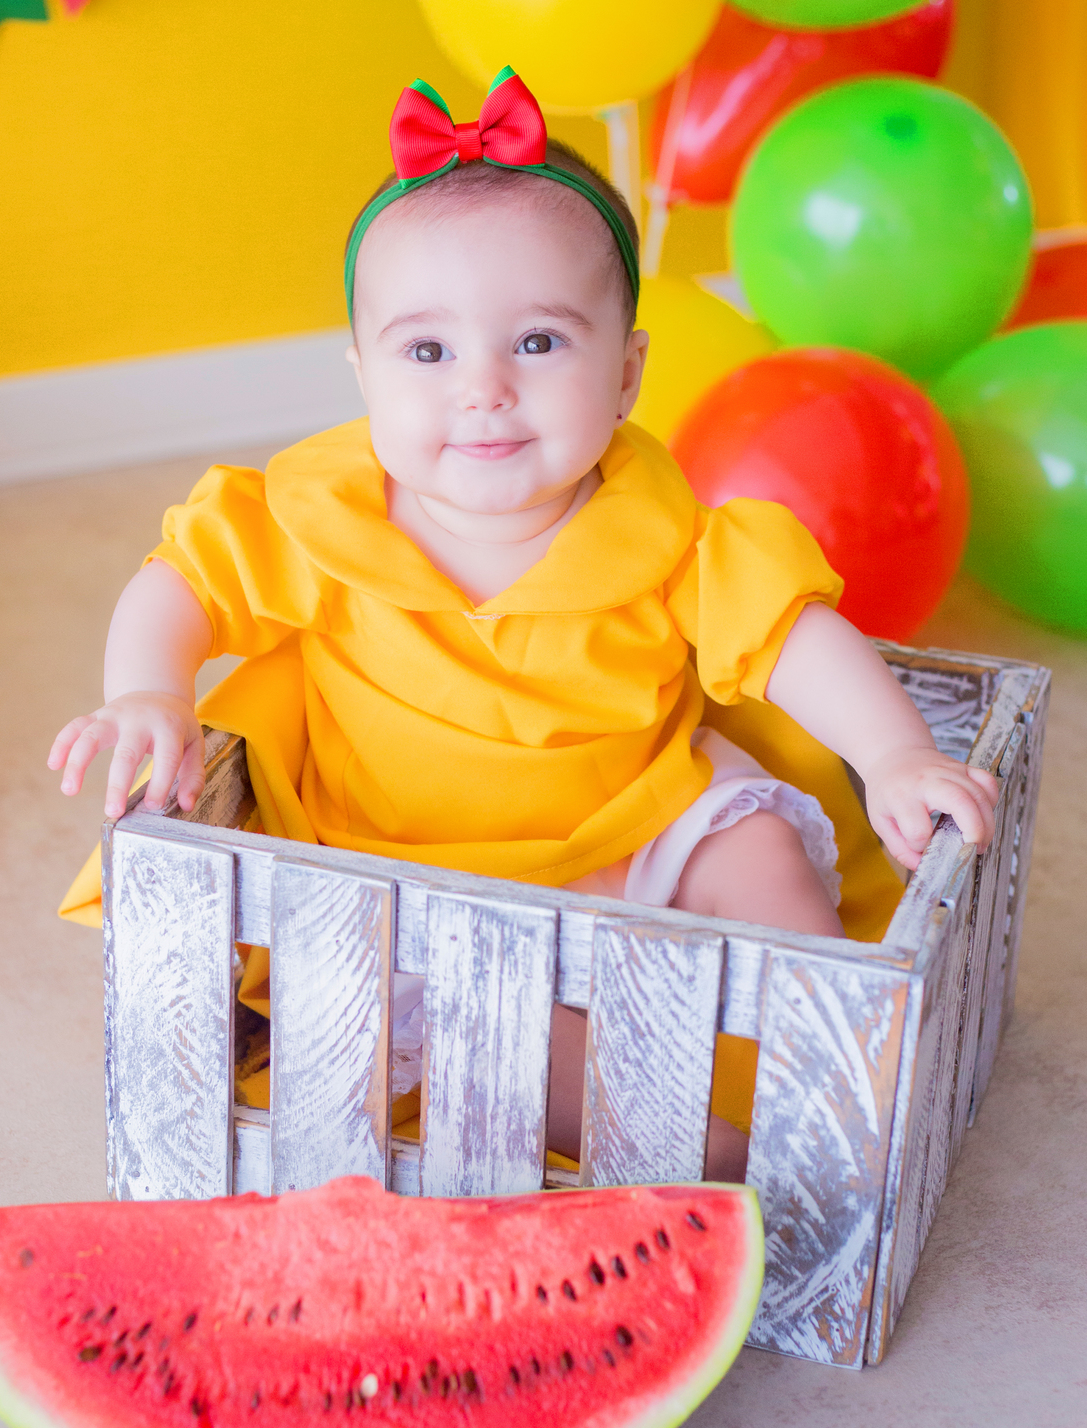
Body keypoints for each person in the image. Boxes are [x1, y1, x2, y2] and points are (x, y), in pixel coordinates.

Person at [50, 69, 998, 1176]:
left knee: (762, 851)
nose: (484, 388)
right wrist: (150, 691)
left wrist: (892, 754)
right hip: (419, 888)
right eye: (428, 351)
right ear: (364, 376)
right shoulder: (317, 524)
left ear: (630, 372)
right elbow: (181, 581)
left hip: (643, 824)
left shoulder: (668, 535)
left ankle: (831, 1069)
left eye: (539, 344)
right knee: (502, 1046)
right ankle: (698, 1148)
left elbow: (791, 633)